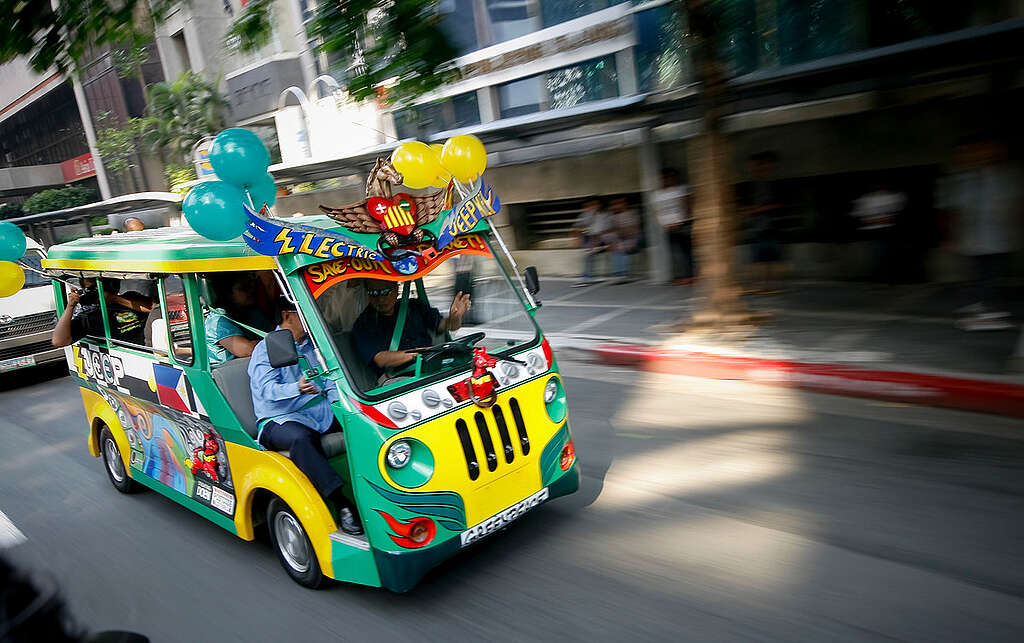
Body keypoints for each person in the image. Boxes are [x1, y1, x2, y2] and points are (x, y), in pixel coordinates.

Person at [247, 297, 363, 535]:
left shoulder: (314, 345)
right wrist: (295, 388)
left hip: (319, 411)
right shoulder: (265, 348)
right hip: (280, 419)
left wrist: (344, 407)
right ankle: (341, 504)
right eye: (304, 312)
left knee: (362, 423)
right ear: (287, 315)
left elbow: (330, 380)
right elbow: (266, 390)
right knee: (301, 439)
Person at [939, 136, 1022, 331]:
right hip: (974, 238)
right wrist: (949, 236)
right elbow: (952, 209)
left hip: (996, 237)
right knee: (979, 276)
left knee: (990, 275)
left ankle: (984, 311)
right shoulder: (966, 177)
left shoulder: (1004, 174)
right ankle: (976, 311)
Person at [351, 279, 471, 374]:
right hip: (397, 378)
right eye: (373, 293)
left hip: (431, 366)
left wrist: (455, 318)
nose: (381, 299)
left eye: (385, 292)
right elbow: (381, 359)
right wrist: (420, 354)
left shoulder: (414, 306)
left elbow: (444, 325)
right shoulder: (364, 323)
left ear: (397, 289)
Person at [52, 277, 153, 347]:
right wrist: (70, 307)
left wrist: (115, 299)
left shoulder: (130, 298)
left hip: (149, 345)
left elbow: (153, 308)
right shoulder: (89, 317)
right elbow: (59, 341)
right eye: (90, 289)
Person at [737, 151, 787, 293]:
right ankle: (761, 284)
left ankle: (773, 285)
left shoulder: (775, 184)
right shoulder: (751, 186)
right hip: (756, 226)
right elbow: (745, 206)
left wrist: (757, 210)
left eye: (758, 165)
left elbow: (779, 204)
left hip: (772, 224)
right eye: (753, 166)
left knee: (772, 255)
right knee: (757, 256)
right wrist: (748, 212)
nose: (755, 169)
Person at [851, 183, 907, 284]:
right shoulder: (866, 199)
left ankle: (884, 278)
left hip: (885, 231)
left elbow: (891, 218)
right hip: (875, 232)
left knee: (883, 254)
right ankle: (881, 278)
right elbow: (864, 219)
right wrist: (881, 219)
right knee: (878, 255)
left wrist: (876, 219)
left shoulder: (890, 197)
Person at [204, 273, 262, 364]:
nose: (250, 291)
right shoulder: (218, 321)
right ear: (228, 293)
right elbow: (247, 350)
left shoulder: (250, 312)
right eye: (243, 288)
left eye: (250, 286)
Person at [652, 169, 694, 284]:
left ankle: (690, 275)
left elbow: (686, 206)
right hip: (667, 227)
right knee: (675, 253)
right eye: (663, 178)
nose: (666, 180)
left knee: (686, 250)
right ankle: (680, 276)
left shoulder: (681, 189)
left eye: (669, 177)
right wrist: (663, 224)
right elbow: (657, 211)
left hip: (682, 224)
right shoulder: (657, 194)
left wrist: (680, 221)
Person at [572, 198, 614, 287]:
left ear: (599, 205)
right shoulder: (585, 215)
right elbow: (577, 228)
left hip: (604, 238)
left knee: (589, 251)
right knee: (588, 252)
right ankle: (586, 277)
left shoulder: (606, 215)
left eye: (594, 204)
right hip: (591, 239)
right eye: (590, 205)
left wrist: (597, 237)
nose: (592, 207)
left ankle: (586, 277)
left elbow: (611, 228)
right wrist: (578, 237)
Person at [608, 196, 642, 284]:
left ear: (625, 203)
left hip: (633, 238)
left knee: (621, 246)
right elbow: (614, 230)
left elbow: (635, 229)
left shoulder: (632, 213)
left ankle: (623, 274)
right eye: (615, 204)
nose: (617, 206)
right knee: (616, 245)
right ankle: (617, 274)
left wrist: (622, 232)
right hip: (621, 239)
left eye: (620, 203)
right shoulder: (614, 217)